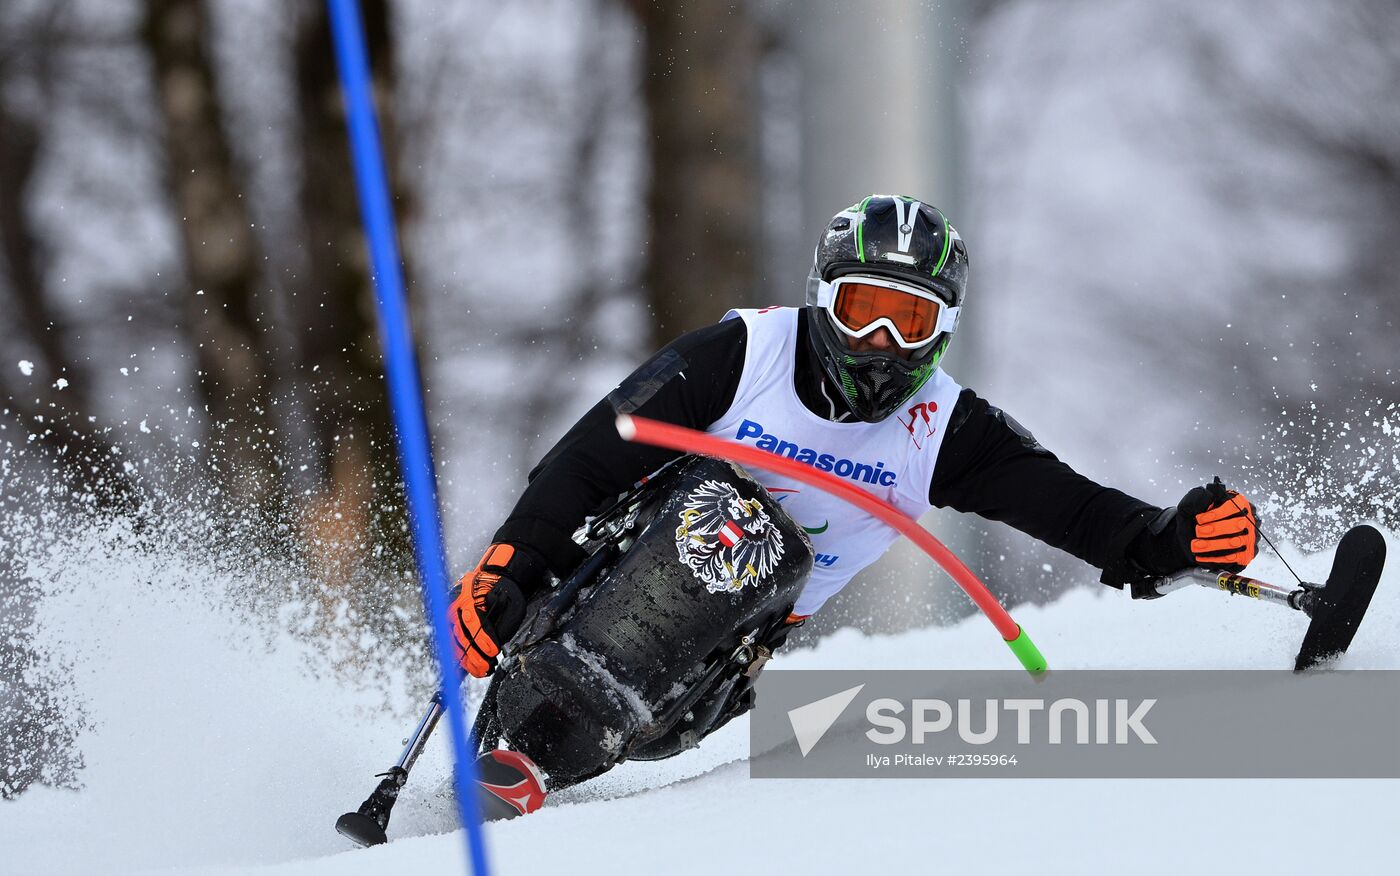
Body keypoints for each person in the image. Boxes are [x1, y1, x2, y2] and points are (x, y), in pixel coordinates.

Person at [450, 195, 1259, 809]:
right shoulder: (742, 353)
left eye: (910, 321)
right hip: (610, 579)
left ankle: (546, 748)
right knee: (728, 516)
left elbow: (1084, 516)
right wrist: (513, 563)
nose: (881, 345)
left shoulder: (947, 429)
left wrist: (1175, 538)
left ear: (942, 333)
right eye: (863, 310)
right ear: (823, 298)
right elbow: (592, 457)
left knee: (750, 539)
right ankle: (528, 735)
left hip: (721, 660)